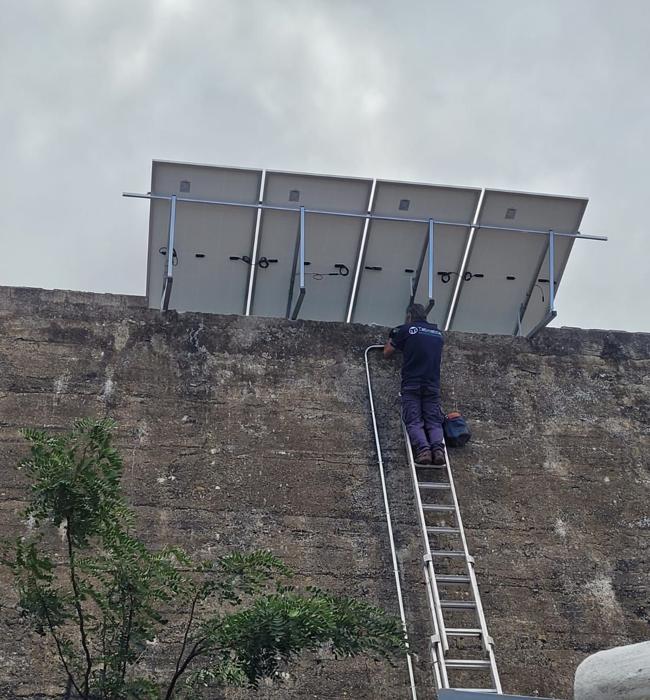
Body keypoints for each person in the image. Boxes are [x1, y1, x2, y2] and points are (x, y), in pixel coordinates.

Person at [384, 303, 445, 466]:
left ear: (409, 316)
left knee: (414, 420)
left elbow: (387, 352)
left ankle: (424, 450)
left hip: (412, 383)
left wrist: (392, 337)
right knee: (433, 421)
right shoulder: (438, 334)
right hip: (432, 384)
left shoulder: (407, 330)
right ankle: (438, 450)